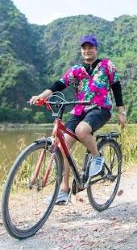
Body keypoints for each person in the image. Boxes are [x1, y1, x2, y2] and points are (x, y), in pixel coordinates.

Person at [30, 35, 126, 205]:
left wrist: (121, 111)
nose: (87, 51)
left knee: (82, 131)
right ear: (81, 51)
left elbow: (116, 86)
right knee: (63, 146)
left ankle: (97, 156)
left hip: (100, 108)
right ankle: (64, 190)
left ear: (96, 49)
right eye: (84, 48)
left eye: (90, 47)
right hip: (79, 109)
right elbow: (58, 84)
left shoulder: (106, 66)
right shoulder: (76, 70)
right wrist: (42, 96)